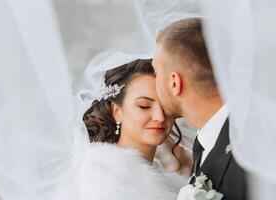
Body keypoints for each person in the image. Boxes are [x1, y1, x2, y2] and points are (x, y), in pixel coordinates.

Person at [152, 18, 247, 200]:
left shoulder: (248, 149)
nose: (153, 82)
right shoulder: (206, 141)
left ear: (174, 82)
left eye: (156, 73)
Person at [71, 59, 185, 200]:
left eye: (166, 106)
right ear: (117, 111)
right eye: (144, 106)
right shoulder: (101, 179)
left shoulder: (176, 186)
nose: (160, 117)